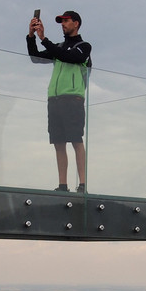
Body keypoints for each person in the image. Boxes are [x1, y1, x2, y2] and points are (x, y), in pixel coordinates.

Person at [27, 10, 92, 192]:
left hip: (73, 98)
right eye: (61, 21)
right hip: (54, 99)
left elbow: (71, 57)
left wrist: (44, 39)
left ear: (76, 23)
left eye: (66, 21)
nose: (63, 24)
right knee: (58, 141)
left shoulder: (84, 46)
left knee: (76, 140)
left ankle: (82, 184)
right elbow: (35, 57)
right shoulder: (59, 46)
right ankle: (62, 184)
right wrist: (32, 36)